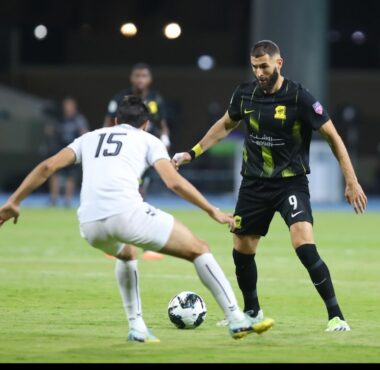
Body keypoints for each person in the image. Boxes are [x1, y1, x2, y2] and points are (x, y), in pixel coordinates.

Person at [0, 96, 274, 342]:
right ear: (145, 124)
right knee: (199, 249)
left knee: (127, 253)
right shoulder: (148, 140)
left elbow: (48, 166)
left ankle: (137, 328)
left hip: (90, 225)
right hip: (126, 214)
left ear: (117, 120)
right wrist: (212, 210)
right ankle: (237, 318)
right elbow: (173, 182)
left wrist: (14, 201)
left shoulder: (90, 137)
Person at [172, 40, 368, 332]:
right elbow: (225, 125)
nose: (259, 73)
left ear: (279, 63)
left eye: (264, 66)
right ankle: (251, 311)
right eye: (255, 67)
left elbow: (333, 136)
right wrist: (193, 152)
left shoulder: (299, 97)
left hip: (291, 183)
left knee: (303, 243)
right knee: (242, 248)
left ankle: (336, 316)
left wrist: (351, 180)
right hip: (253, 183)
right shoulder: (245, 94)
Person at [105, 63, 170, 260]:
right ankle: (118, 244)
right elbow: (108, 122)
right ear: (131, 78)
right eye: (137, 76)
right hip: (124, 154)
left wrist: (165, 141)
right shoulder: (120, 98)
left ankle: (138, 244)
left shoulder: (156, 99)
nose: (140, 79)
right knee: (124, 194)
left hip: (145, 154)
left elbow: (162, 124)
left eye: (144, 76)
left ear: (149, 79)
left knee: (140, 196)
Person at [46, 97, 89, 207]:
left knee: (71, 176)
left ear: (74, 107)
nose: (67, 108)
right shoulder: (59, 119)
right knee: (54, 173)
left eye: (70, 105)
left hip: (73, 150)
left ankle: (67, 200)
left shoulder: (79, 119)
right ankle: (53, 200)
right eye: (66, 105)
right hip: (59, 150)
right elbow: (50, 131)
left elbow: (84, 133)